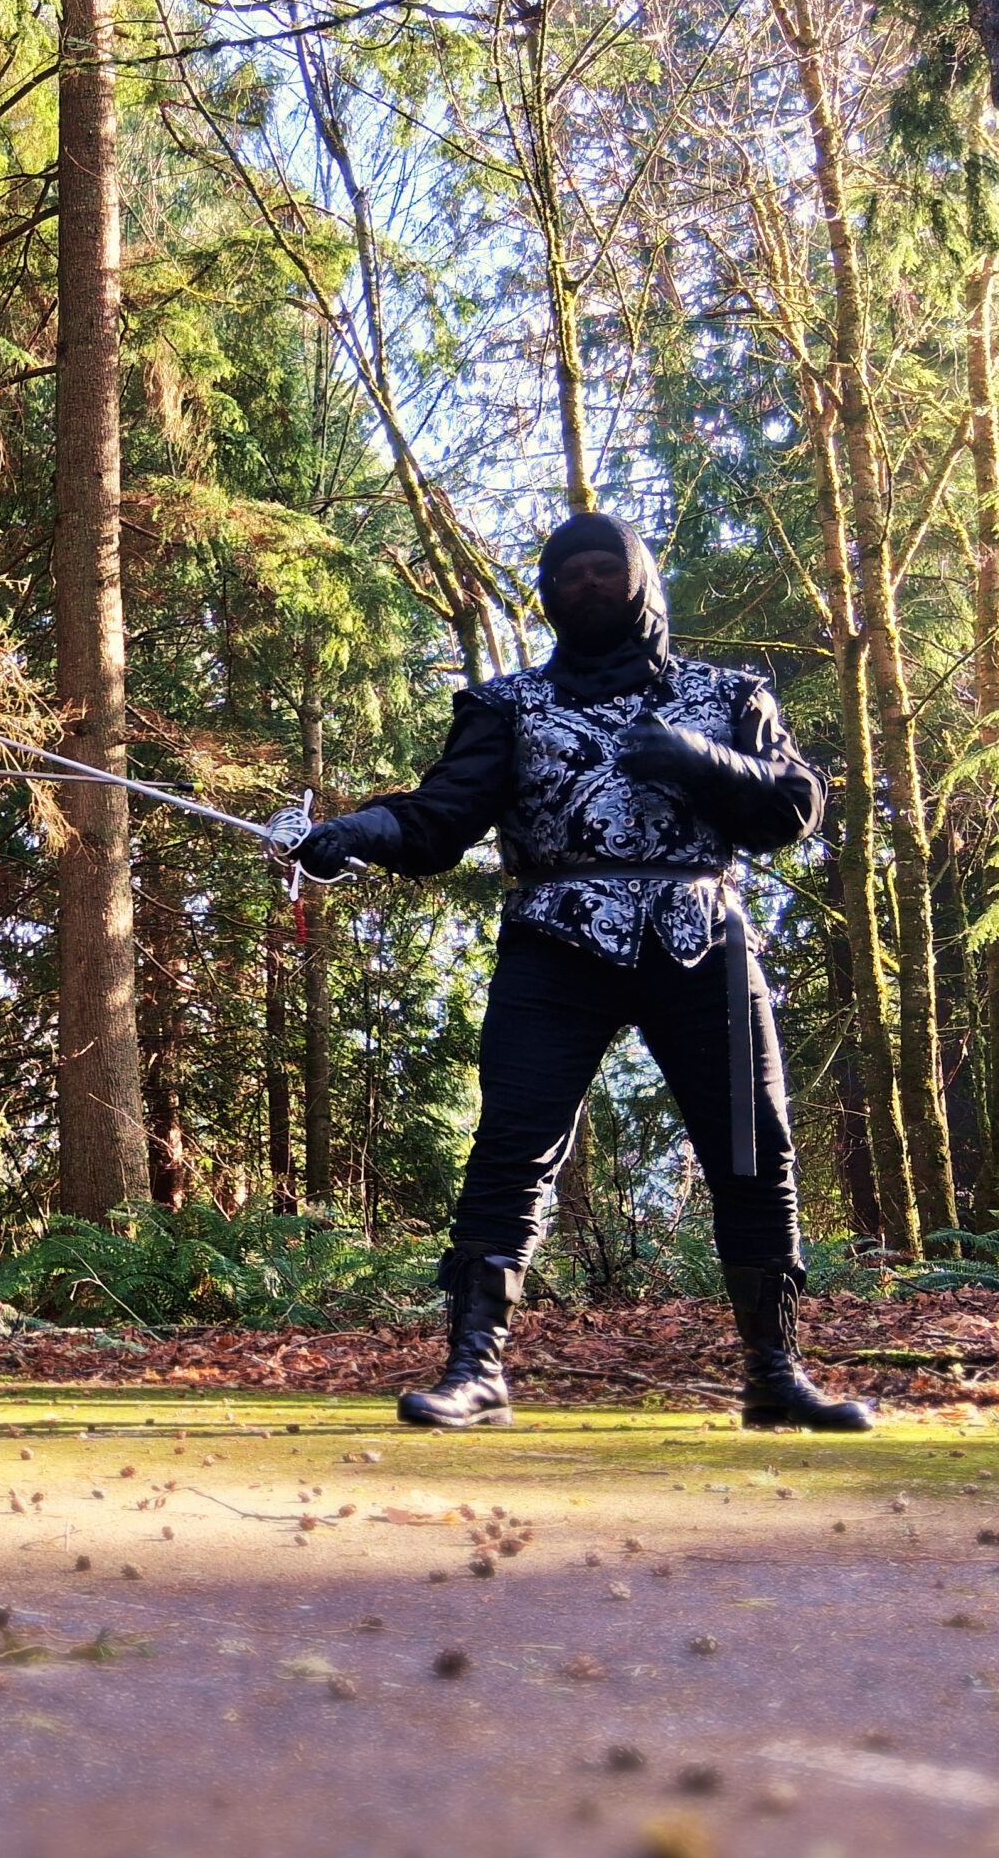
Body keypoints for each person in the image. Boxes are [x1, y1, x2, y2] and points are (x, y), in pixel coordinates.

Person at [295, 512, 871, 1433]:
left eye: (609, 569)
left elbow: (794, 804)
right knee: (512, 1148)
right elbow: (444, 817)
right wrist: (359, 832)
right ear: (549, 596)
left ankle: (775, 1370)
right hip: (554, 938)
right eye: (570, 576)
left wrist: (700, 758)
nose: (590, 585)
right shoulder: (507, 704)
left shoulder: (728, 693)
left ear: (641, 580)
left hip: (702, 935)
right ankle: (474, 1369)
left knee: (753, 1152)